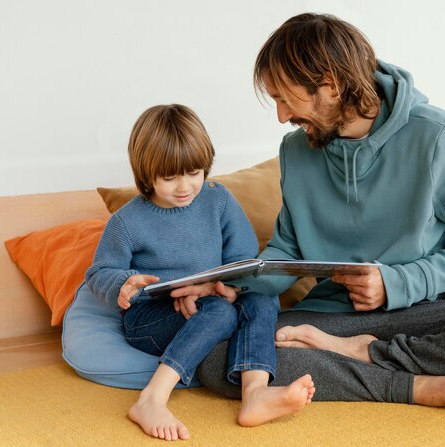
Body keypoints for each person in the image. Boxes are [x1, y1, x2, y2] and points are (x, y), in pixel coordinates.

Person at [173, 13, 445, 418]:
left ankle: (366, 354)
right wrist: (233, 286)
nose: (282, 116)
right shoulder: (296, 152)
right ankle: (415, 385)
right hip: (331, 320)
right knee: (218, 355)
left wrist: (397, 282)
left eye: (285, 98)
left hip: (430, 315)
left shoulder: (437, 135)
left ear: (330, 86)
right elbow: (288, 251)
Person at [85, 104, 315, 441]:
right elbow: (100, 272)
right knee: (222, 313)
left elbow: (243, 258)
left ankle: (255, 395)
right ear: (146, 174)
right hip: (151, 317)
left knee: (262, 299)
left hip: (212, 299)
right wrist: (123, 283)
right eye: (170, 177)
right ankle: (151, 399)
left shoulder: (218, 200)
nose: (185, 186)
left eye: (194, 172)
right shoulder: (128, 221)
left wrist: (227, 287)